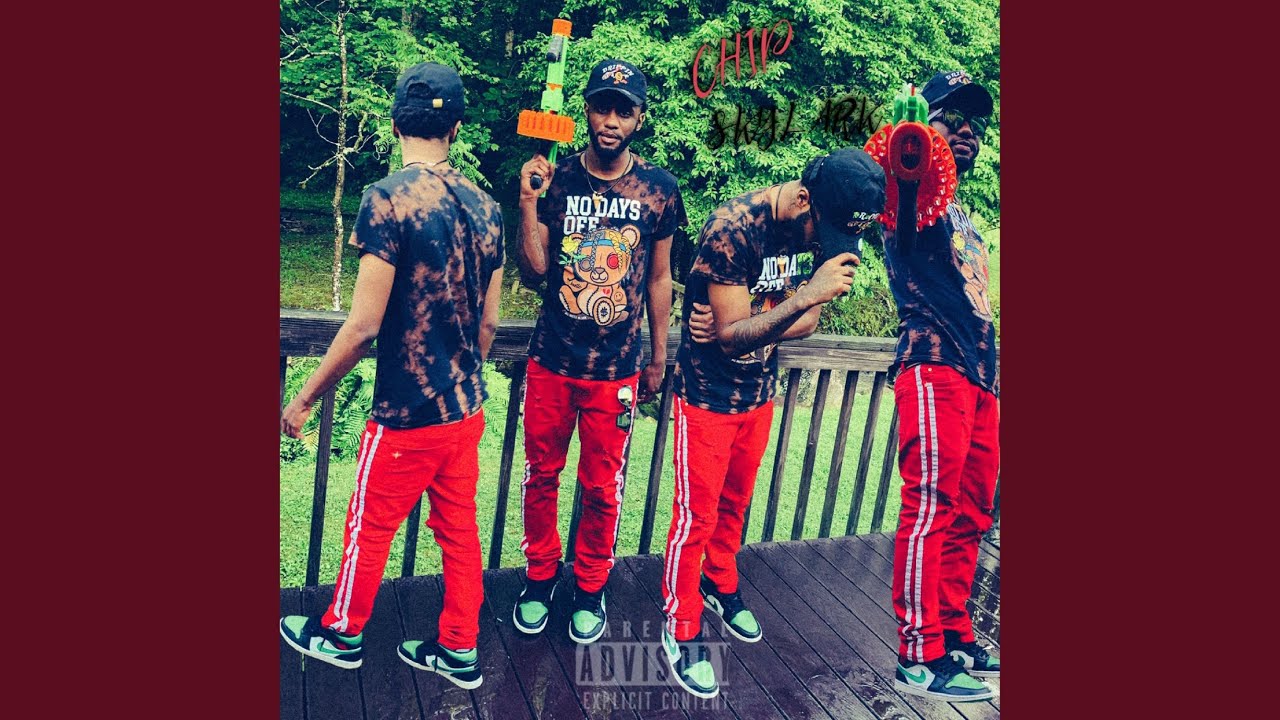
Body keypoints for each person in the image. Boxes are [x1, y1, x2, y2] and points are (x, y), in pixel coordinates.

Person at [278, 62, 504, 691]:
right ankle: (460, 646)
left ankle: (342, 633)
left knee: (368, 525)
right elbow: (489, 323)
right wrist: (461, 374)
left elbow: (362, 328)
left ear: (395, 123)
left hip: (407, 413)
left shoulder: (387, 199)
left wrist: (303, 399)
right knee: (459, 531)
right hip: (465, 408)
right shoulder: (488, 208)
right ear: (456, 128)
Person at [662, 147, 886, 698]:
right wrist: (789, 303)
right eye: (821, 232)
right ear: (803, 199)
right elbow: (736, 336)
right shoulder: (733, 228)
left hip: (760, 394)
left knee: (735, 504)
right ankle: (680, 622)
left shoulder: (823, 227)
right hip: (708, 397)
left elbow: (804, 323)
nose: (821, 247)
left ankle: (719, 582)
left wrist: (750, 322)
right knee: (695, 516)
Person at [513, 58, 687, 644]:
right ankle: (540, 576)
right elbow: (536, 270)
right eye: (602, 107)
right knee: (541, 475)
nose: (611, 120)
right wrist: (528, 202)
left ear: (640, 119)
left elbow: (659, 278)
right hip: (551, 360)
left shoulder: (659, 189)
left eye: (624, 110)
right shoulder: (556, 178)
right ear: (586, 111)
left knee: (601, 485)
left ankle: (591, 585)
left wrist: (658, 354)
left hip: (616, 368)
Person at [883, 69, 1000, 702]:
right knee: (931, 505)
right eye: (948, 120)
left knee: (974, 511)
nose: (965, 131)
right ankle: (918, 652)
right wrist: (911, 156)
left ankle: (954, 633)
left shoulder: (966, 218)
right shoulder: (915, 196)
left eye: (973, 124)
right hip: (934, 364)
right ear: (920, 130)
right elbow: (904, 202)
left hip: (982, 376)